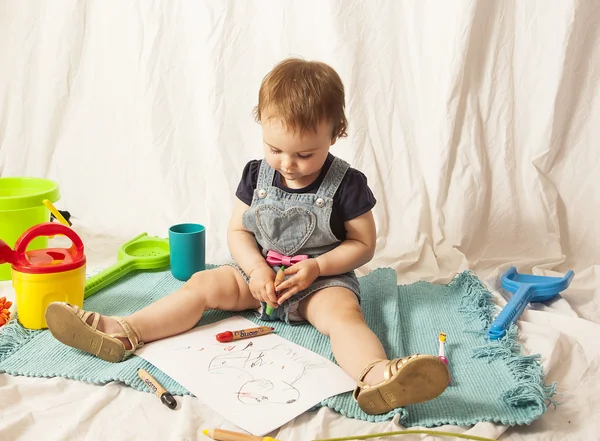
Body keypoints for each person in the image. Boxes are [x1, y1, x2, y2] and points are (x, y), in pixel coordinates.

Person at [45, 58, 449, 415]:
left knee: (343, 317)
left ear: (335, 132)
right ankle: (122, 331)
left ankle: (376, 376)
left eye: (305, 154)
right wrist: (255, 268)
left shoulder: (348, 183)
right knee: (203, 284)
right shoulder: (257, 174)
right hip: (258, 276)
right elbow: (238, 229)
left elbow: (363, 245)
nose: (288, 165)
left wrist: (318, 266)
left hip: (321, 281)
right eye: (276, 149)